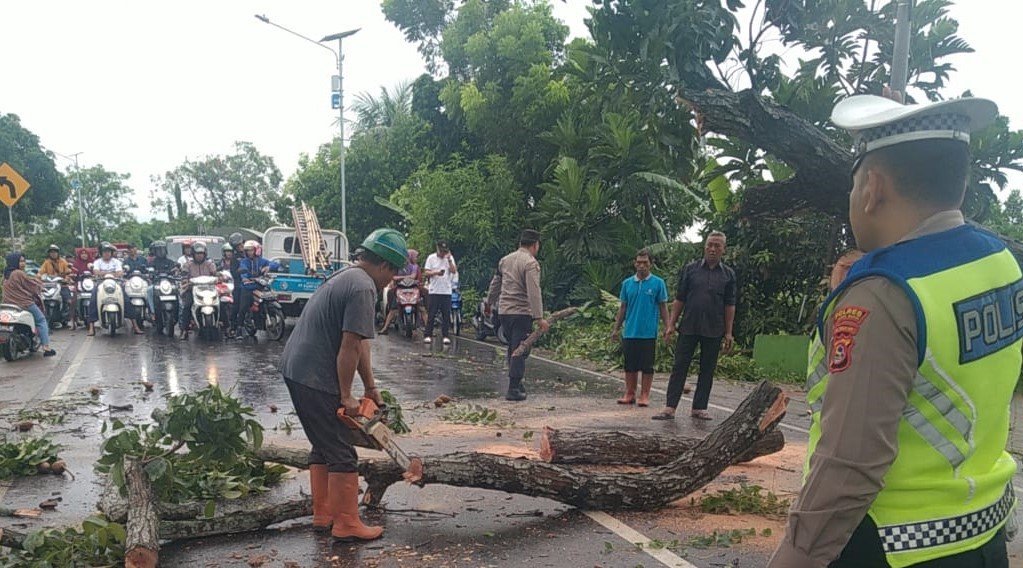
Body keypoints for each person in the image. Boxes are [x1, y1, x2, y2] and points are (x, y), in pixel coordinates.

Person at [769, 94, 1018, 567]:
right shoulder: (998, 261)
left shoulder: (883, 294)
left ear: (872, 188)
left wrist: (794, 557)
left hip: (891, 546)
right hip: (982, 535)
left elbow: (850, 466)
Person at [278, 228, 408, 542]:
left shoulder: (347, 276)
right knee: (342, 451)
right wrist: (347, 395)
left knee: (323, 444)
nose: (389, 282)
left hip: (297, 369)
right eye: (391, 275)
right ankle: (347, 523)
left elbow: (360, 341)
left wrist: (371, 388)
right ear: (385, 266)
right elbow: (349, 346)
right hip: (314, 375)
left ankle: (324, 514)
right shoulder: (364, 287)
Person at [652, 231, 737, 421]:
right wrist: (671, 325)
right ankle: (670, 407)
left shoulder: (728, 275)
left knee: (707, 369)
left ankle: (699, 407)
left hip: (714, 328)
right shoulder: (690, 269)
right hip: (689, 326)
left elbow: (730, 304)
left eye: (717, 245)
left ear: (724, 249)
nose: (713, 249)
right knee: (679, 366)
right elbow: (680, 298)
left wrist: (729, 332)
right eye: (710, 244)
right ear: (704, 246)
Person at [486, 229, 550, 401]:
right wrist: (539, 317)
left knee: (513, 348)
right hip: (521, 313)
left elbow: (495, 283)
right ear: (535, 245)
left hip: (504, 313)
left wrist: (488, 302)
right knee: (520, 350)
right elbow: (533, 291)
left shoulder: (505, 260)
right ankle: (513, 388)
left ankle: (517, 382)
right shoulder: (530, 263)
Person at [611, 249, 670, 407]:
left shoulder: (658, 283)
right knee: (630, 365)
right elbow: (623, 307)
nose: (641, 266)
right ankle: (629, 393)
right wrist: (616, 329)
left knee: (647, 366)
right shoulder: (627, 284)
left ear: (651, 264)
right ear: (634, 263)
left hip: (648, 332)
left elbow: (663, 307)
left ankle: (644, 395)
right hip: (630, 331)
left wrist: (668, 327)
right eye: (639, 262)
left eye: (645, 262)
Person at [2, 253, 55, 357]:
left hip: (8, 305)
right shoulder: (18, 273)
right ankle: (46, 347)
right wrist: (40, 287)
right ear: (14, 262)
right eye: (21, 261)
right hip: (24, 304)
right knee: (41, 320)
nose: (23, 263)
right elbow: (30, 285)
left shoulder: (6, 276)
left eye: (23, 261)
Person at [234, 240, 280, 338]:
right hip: (248, 287)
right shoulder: (244, 261)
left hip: (260, 285)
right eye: (247, 251)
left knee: (270, 297)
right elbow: (243, 270)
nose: (249, 252)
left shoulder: (262, 261)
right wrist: (245, 277)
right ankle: (239, 329)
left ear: (256, 250)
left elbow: (276, 264)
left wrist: (269, 267)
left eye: (251, 250)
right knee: (243, 307)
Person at [87, 242, 131, 336]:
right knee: (93, 300)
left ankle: (135, 325)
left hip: (116, 283)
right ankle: (91, 327)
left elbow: (120, 273)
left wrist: (104, 273)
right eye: (105, 251)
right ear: (101, 253)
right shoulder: (97, 262)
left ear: (111, 253)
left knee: (126, 299)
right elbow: (96, 272)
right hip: (100, 283)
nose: (107, 253)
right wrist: (111, 273)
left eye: (108, 252)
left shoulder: (116, 261)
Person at [378, 249, 425, 334]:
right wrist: (407, 277)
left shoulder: (414, 266)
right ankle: (385, 328)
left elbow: (413, 276)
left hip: (413, 289)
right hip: (400, 289)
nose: (406, 259)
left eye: (407, 257)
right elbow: (394, 277)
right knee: (393, 309)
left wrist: (401, 277)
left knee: (422, 308)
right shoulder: (398, 266)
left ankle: (428, 329)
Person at [177, 242, 218, 340]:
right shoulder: (188, 265)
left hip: (209, 290)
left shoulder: (209, 264)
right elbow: (183, 276)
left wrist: (220, 276)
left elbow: (215, 274)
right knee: (187, 306)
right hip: (192, 290)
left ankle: (227, 327)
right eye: (197, 254)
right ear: (193, 254)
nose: (199, 256)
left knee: (221, 303)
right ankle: (184, 330)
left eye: (201, 253)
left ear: (205, 254)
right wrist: (185, 281)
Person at [422, 240, 458, 345]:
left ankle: (445, 335)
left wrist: (450, 260)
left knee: (446, 315)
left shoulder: (449, 258)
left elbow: (454, 271)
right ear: (437, 249)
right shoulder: (431, 258)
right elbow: (426, 272)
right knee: (432, 314)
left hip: (446, 290)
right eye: (441, 251)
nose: (443, 253)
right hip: (434, 290)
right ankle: (428, 334)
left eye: (444, 251)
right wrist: (436, 272)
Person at [39, 244, 76, 329]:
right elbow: (41, 272)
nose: (53, 254)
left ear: (58, 253)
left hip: (62, 285)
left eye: (55, 252)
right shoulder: (46, 262)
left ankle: (67, 317)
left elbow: (68, 271)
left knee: (68, 300)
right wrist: (38, 277)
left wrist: (66, 279)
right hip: (50, 285)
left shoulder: (63, 261)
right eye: (51, 252)